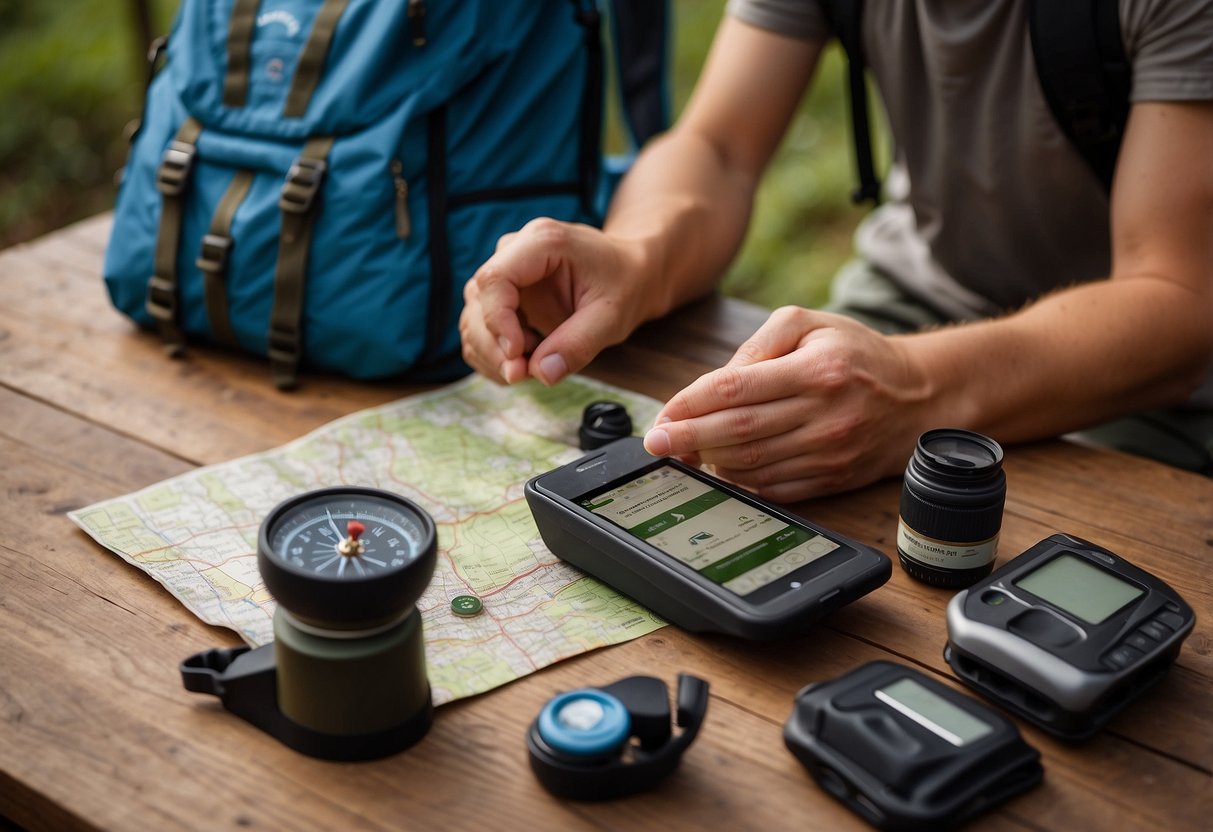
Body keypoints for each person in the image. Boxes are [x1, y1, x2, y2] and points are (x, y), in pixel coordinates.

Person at [459, 0, 1213, 501]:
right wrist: (632, 257)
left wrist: (916, 389)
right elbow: (718, 147)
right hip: (910, 304)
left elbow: (1178, 302)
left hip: (1139, 374)